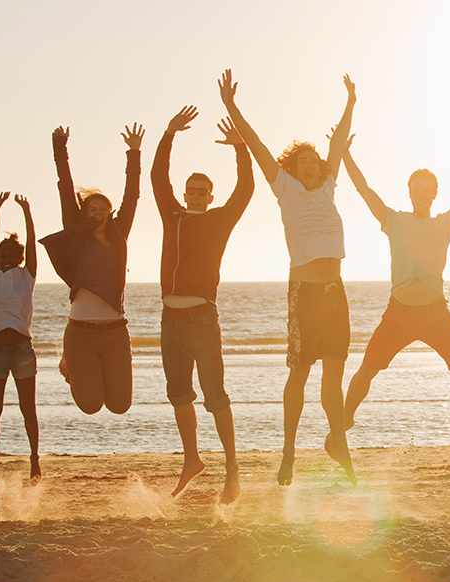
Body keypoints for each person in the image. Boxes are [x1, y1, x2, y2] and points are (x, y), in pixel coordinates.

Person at [218, 68, 356, 484]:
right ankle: (289, 453)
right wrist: (231, 105)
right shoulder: (284, 188)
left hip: (335, 293)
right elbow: (259, 146)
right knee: (299, 373)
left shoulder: (329, 185)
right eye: (304, 160)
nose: (312, 164)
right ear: (293, 167)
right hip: (305, 293)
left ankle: (340, 447)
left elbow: (337, 141)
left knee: (334, 374)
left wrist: (351, 102)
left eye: (315, 160)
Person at [341, 131, 450, 438]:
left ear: (435, 193)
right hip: (398, 313)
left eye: (427, 189)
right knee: (367, 369)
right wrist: (345, 155)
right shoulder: (394, 220)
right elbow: (363, 189)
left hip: (435, 313)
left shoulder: (445, 223)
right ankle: (342, 425)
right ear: (409, 192)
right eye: (416, 188)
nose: (421, 193)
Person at [149, 98, 254, 503]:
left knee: (215, 395)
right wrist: (168, 134)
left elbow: (245, 190)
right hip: (170, 321)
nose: (195, 195)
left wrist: (240, 148)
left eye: (202, 191)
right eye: (191, 190)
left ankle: (232, 468)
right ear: (184, 193)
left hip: (202, 319)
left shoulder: (218, 220)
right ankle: (192, 459)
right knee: (178, 393)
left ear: (210, 197)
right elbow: (158, 177)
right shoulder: (171, 215)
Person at [40, 122, 142, 416]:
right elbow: (65, 188)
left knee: (120, 405)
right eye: (91, 208)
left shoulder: (119, 234)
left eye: (102, 208)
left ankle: (76, 364)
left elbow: (132, 196)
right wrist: (60, 150)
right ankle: (71, 363)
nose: (96, 211)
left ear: (110, 212)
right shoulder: (76, 233)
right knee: (90, 405)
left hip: (115, 332)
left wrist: (133, 154)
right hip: (80, 332)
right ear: (84, 211)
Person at [0, 192, 41, 481]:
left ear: (19, 258)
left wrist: (28, 213)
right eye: (1, 255)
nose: (4, 258)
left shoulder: (26, 275)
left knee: (27, 408)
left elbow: (31, 246)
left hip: (21, 349)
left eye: (10, 255)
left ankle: (34, 459)